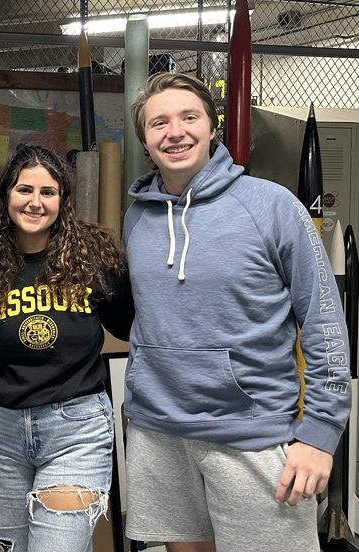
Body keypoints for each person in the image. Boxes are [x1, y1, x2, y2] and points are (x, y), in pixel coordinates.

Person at [122, 72, 351, 551]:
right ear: (144, 139)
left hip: (254, 434)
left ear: (212, 128)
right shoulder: (139, 215)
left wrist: (320, 433)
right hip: (159, 432)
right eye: (159, 123)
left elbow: (324, 320)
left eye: (189, 117)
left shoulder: (271, 206)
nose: (175, 132)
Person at [0, 144, 133, 551]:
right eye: (24, 190)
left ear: (62, 200)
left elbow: (127, 324)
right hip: (0, 430)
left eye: (48, 192)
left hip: (75, 427)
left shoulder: (92, 257)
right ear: (6, 195)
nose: (35, 202)